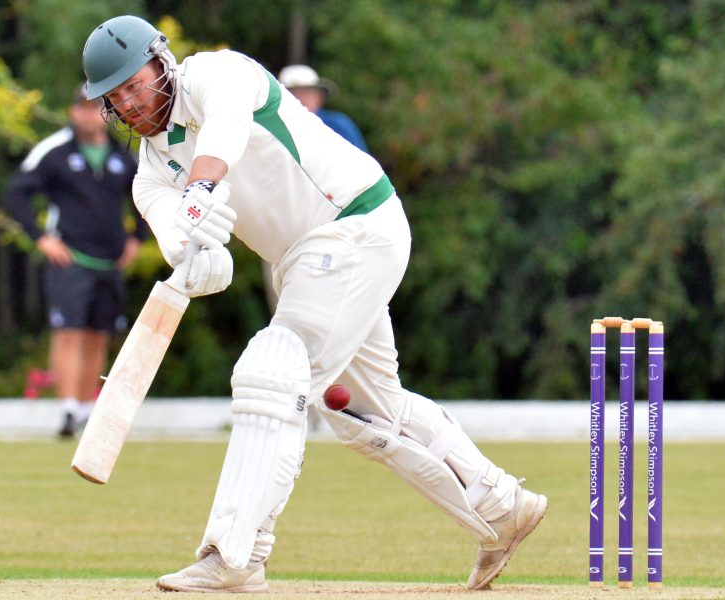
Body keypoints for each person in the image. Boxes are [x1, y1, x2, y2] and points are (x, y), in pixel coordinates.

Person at [81, 15, 547, 593]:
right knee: (362, 415)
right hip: (303, 262)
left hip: (353, 222)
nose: (130, 101)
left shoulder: (217, 72)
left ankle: (236, 555)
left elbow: (225, 130)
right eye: (115, 95)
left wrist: (200, 193)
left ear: (162, 62)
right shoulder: (150, 173)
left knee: (273, 371)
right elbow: (178, 239)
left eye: (135, 81)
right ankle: (503, 507)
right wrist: (197, 257)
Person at [4, 84, 148, 437]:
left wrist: (137, 240)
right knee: (69, 331)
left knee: (99, 334)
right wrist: (42, 239)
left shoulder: (122, 155)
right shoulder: (54, 152)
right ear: (73, 111)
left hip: (110, 260)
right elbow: (16, 195)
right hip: (71, 258)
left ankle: (86, 410)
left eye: (95, 107)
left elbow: (147, 194)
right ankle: (67, 410)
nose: (88, 114)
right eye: (82, 107)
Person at [278, 64, 369, 152]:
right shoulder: (271, 127)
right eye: (293, 93)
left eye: (308, 93)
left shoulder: (338, 125)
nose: (301, 99)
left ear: (319, 98)